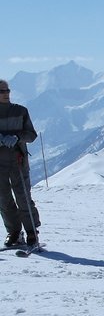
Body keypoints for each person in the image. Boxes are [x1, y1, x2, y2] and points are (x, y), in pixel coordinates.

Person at [0, 80, 40, 248]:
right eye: (2, 91)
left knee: (23, 197)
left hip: (18, 161)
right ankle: (14, 232)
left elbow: (31, 135)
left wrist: (17, 137)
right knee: (4, 199)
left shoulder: (20, 111)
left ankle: (32, 232)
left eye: (7, 90)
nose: (6, 93)